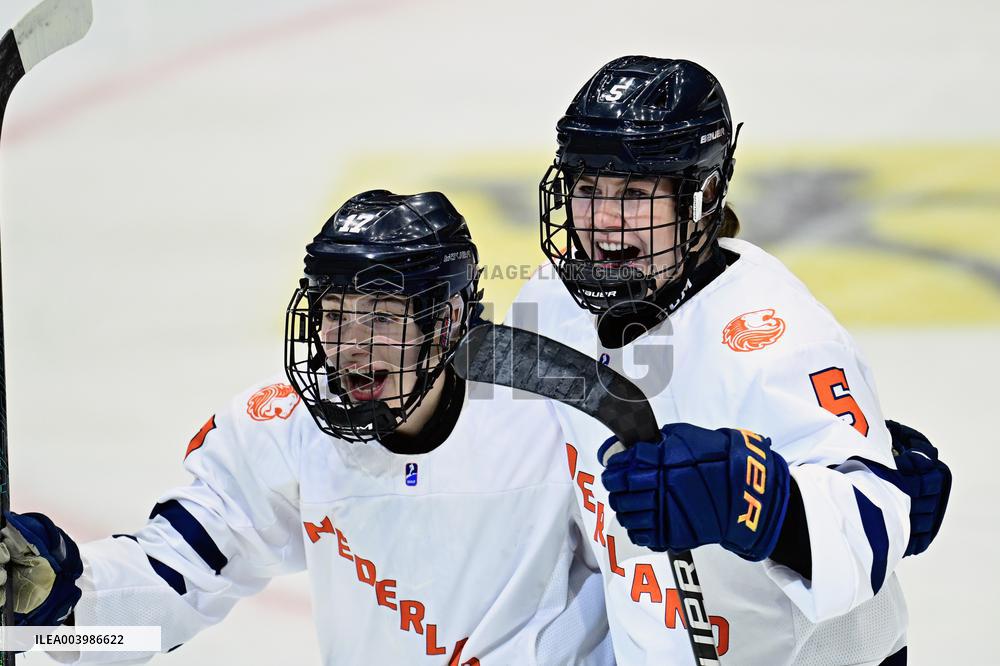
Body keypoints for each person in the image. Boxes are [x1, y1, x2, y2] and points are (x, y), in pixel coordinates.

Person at [0, 190, 612, 664]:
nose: (347, 344)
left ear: (447, 319)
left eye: (378, 315)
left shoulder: (549, 419)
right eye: (334, 314)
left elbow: (649, 588)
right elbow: (175, 586)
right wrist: (66, 602)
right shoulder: (283, 436)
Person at [509, 56, 951, 664]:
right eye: (587, 190)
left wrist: (762, 501)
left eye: (634, 194)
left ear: (704, 197)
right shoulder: (548, 304)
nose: (604, 222)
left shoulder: (780, 339)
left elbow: (869, 530)